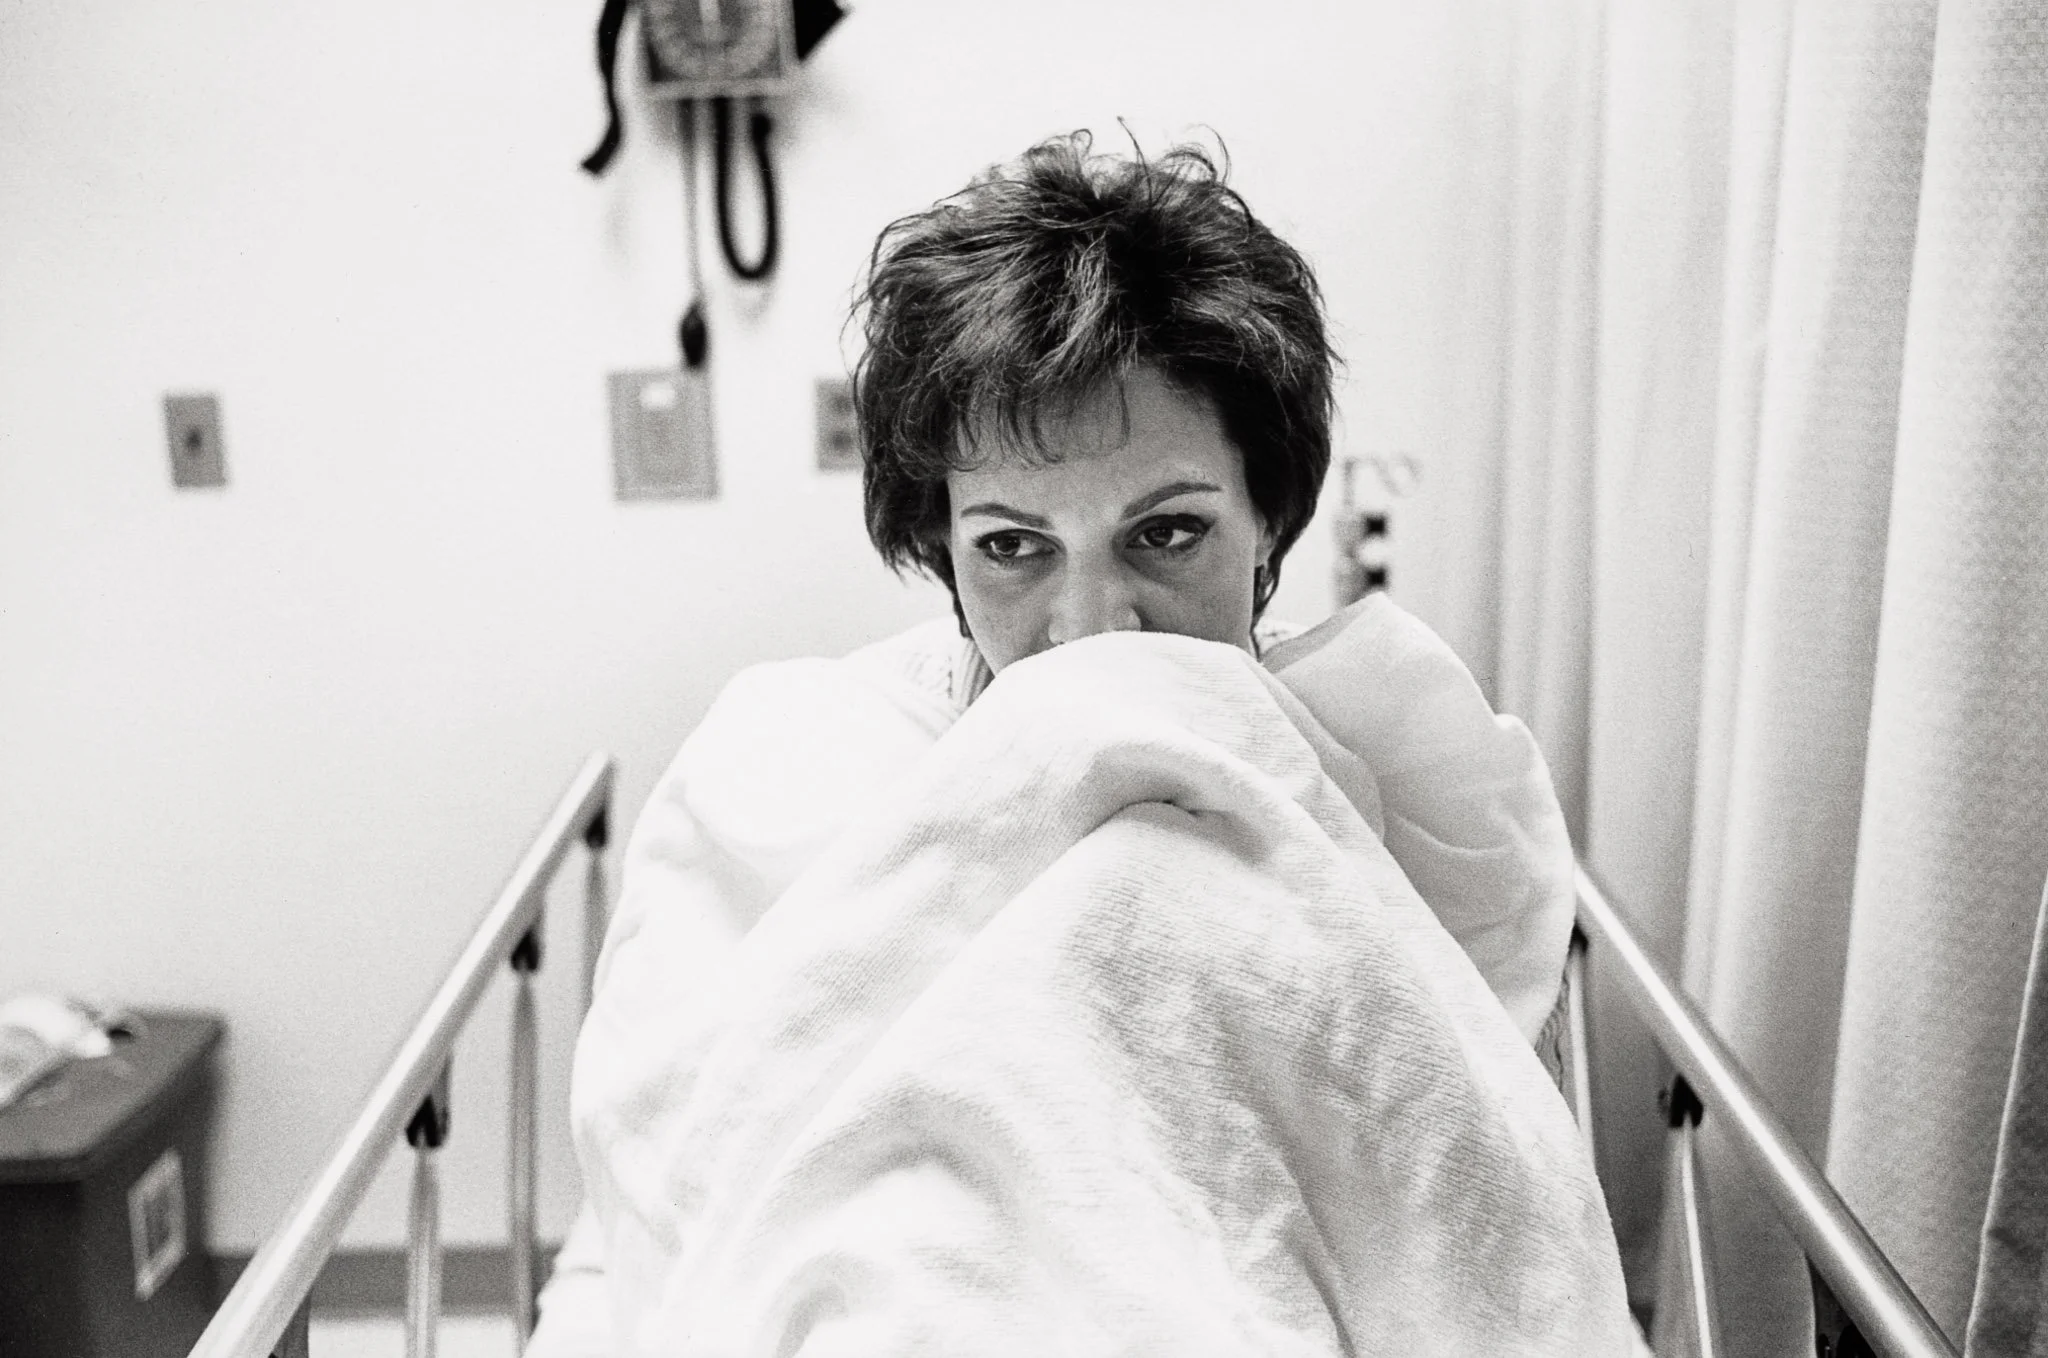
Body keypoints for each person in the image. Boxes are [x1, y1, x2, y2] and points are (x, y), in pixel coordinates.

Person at [528, 132, 1593, 1358]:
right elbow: (694, 1161)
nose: (1092, 629)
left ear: (1270, 521)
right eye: (1012, 546)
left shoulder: (1397, 779)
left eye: (1168, 532)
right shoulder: (800, 769)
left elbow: (1455, 1177)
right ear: (938, 544)